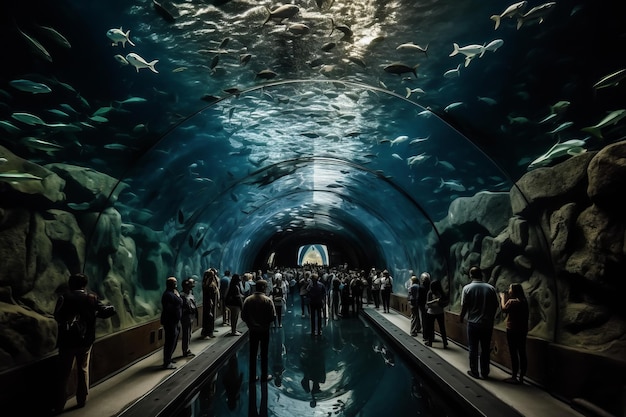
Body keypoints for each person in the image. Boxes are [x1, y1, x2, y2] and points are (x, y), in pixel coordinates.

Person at [52, 273, 116, 414]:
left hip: (67, 342)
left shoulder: (64, 297)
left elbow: (57, 316)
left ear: (70, 284)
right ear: (84, 285)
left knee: (64, 372)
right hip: (85, 341)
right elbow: (105, 312)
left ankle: (59, 404)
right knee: (83, 369)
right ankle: (81, 399)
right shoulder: (91, 298)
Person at [459, 266, 499, 379]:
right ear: (481, 274)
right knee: (486, 348)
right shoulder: (490, 288)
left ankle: (474, 371)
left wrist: (461, 317)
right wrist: (490, 317)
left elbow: (464, 306)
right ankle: (485, 372)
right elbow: (496, 305)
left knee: (473, 348)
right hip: (487, 324)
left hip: (473, 323)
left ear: (470, 275)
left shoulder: (467, 288)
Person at [241, 279, 276, 383]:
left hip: (252, 330)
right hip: (264, 330)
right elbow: (273, 316)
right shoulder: (268, 300)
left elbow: (243, 316)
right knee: (264, 353)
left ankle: (252, 376)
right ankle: (264, 376)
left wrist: (250, 324)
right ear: (264, 288)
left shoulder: (248, 300)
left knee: (253, 353)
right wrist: (265, 324)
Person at [500, 283, 529, 384]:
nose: (509, 290)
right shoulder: (524, 301)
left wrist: (502, 298)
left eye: (510, 288)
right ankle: (521, 376)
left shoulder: (512, 302)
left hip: (512, 329)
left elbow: (504, 309)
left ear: (514, 290)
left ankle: (514, 376)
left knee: (513, 353)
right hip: (522, 330)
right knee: (522, 352)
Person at [161, 276, 183, 369]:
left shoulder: (173, 293)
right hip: (170, 321)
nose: (175, 284)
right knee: (170, 341)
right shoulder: (167, 295)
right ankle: (167, 362)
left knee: (174, 340)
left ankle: (169, 358)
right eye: (174, 283)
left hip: (175, 321)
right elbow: (168, 308)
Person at [424, 280, 448, 348]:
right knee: (435, 328)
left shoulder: (440, 293)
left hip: (434, 312)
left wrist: (441, 302)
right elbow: (427, 303)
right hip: (435, 312)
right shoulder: (431, 293)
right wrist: (436, 300)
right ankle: (431, 342)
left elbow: (445, 302)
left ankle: (444, 342)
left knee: (439, 328)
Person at [180, 277, 198, 357]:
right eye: (188, 286)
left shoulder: (191, 293)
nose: (189, 288)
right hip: (186, 316)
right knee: (186, 333)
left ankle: (187, 349)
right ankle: (185, 350)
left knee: (189, 333)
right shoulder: (182, 295)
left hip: (191, 315)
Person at [201, 268, 219, 339]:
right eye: (212, 276)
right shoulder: (207, 284)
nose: (213, 277)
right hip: (208, 303)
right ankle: (207, 333)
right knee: (208, 317)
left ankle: (209, 332)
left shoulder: (211, 283)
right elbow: (208, 293)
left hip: (211, 302)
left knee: (210, 318)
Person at [417, 272, 431, 342]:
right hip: (430, 306)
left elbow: (419, 298)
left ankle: (425, 336)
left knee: (424, 321)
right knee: (430, 322)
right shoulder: (430, 288)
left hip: (422, 306)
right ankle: (431, 336)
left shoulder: (421, 288)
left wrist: (418, 305)